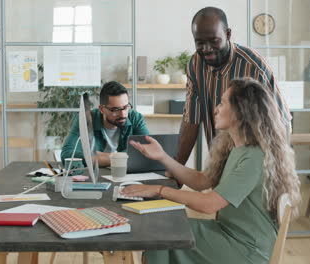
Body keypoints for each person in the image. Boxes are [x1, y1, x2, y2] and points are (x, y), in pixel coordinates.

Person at [122, 78, 301, 264]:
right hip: (228, 234)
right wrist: (163, 157)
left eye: (222, 103)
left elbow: (209, 205)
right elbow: (202, 181)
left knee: (160, 232)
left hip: (246, 249)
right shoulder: (238, 149)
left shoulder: (254, 158)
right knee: (161, 228)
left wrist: (159, 190)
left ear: (240, 111)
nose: (215, 108)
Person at [175, 6, 292, 168]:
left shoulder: (254, 67)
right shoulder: (195, 65)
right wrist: (177, 167)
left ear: (228, 34)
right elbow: (191, 120)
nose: (206, 49)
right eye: (199, 43)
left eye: (213, 41)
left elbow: (281, 122)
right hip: (219, 161)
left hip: (253, 164)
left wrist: (279, 172)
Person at [61, 81, 149, 167]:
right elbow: (67, 154)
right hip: (97, 177)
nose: (123, 114)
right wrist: (118, 159)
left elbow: (149, 150)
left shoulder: (135, 118)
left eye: (126, 107)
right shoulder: (87, 119)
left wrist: (97, 157)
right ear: (102, 109)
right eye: (115, 110)